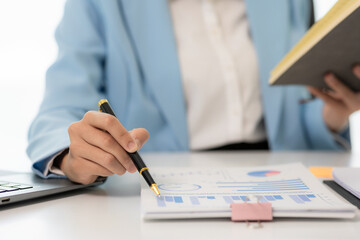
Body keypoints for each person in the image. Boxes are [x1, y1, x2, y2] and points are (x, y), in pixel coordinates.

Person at [27, 0, 360, 184]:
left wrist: (333, 112)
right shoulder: (101, 5)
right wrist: (74, 158)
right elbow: (56, 114)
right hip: (160, 185)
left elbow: (294, 105)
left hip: (279, 178)